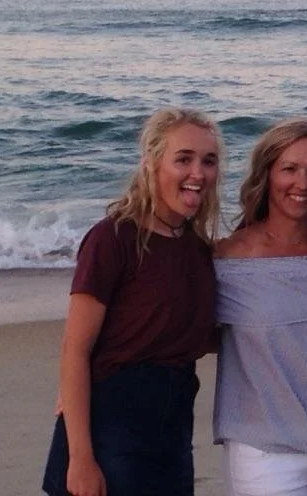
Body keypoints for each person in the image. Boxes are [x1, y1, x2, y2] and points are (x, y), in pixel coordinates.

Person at [42, 108, 224, 496]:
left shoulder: (198, 251)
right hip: (109, 430)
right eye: (183, 159)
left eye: (209, 161)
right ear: (151, 164)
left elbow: (193, 336)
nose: (198, 173)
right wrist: (81, 458)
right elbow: (75, 351)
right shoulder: (114, 238)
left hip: (172, 432)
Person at [213, 118, 307, 496]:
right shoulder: (228, 259)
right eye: (290, 169)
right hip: (266, 455)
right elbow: (179, 328)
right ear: (267, 174)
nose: (302, 183)